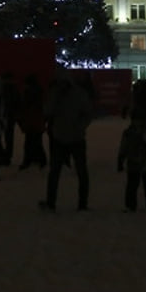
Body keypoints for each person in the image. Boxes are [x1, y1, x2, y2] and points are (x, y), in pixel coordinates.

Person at [40, 69, 92, 212]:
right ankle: (79, 203)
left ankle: (76, 203)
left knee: (62, 172)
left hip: (66, 137)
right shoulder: (71, 93)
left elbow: (47, 112)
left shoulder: (74, 94)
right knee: (63, 172)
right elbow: (48, 111)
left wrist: (79, 127)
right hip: (67, 137)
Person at [117, 114, 146, 211]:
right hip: (134, 162)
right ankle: (131, 204)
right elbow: (124, 147)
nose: (138, 122)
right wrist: (120, 159)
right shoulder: (128, 133)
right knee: (133, 185)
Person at [17, 74, 47, 170]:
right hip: (37, 121)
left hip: (31, 120)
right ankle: (40, 160)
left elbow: (24, 107)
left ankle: (29, 160)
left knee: (30, 142)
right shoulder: (39, 93)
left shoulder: (28, 94)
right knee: (37, 141)